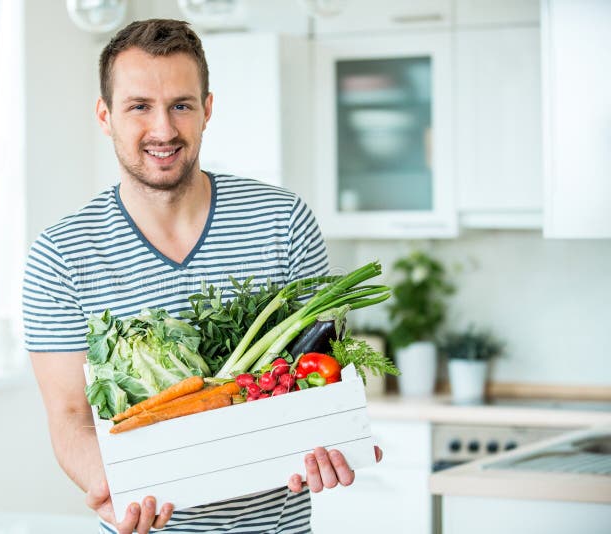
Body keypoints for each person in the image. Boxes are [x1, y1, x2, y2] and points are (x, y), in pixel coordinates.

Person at [23, 18, 382, 534]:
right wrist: (110, 486)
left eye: (181, 105)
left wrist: (332, 435)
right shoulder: (60, 256)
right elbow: (69, 416)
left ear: (207, 110)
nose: (164, 130)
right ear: (105, 116)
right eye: (139, 106)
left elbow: (321, 370)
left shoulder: (283, 222)